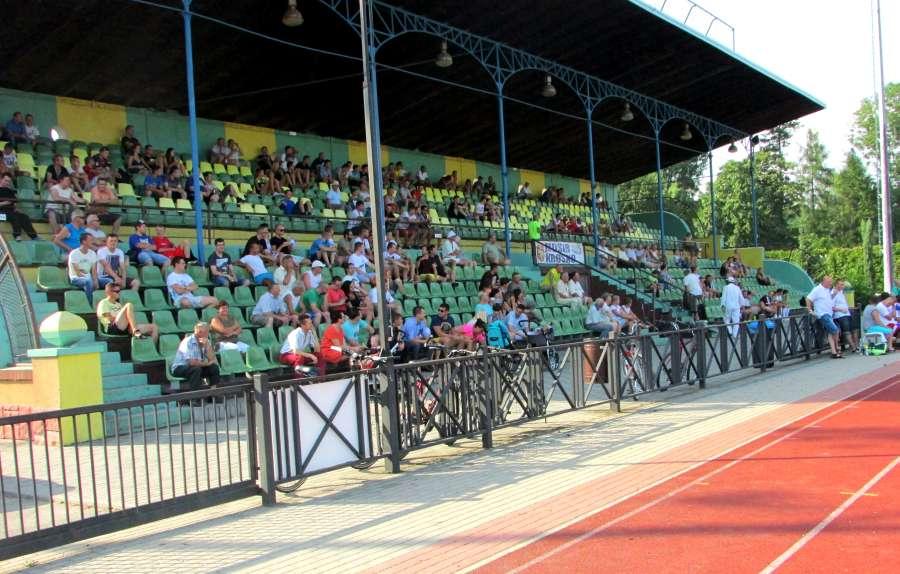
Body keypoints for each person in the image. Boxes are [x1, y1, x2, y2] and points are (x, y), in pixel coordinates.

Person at [170, 323, 221, 389]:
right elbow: (191, 363)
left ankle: (213, 391)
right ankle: (195, 393)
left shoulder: (205, 340)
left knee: (214, 368)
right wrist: (206, 364)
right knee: (196, 369)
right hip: (179, 368)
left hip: (197, 366)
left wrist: (207, 346)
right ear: (199, 332)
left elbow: (212, 359)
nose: (208, 334)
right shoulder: (188, 342)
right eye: (207, 332)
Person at [807, 275, 841, 358]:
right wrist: (810, 310)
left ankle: (834, 352)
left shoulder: (827, 290)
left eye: (831, 282)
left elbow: (828, 299)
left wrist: (833, 295)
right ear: (824, 281)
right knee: (835, 330)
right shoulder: (817, 289)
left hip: (829, 314)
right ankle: (837, 347)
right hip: (823, 314)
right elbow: (808, 299)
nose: (830, 284)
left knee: (831, 333)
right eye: (829, 282)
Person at [0, 174, 38, 240]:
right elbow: (9, 202)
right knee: (14, 216)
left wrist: (16, 208)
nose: (7, 183)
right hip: (1, 215)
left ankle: (34, 236)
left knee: (24, 217)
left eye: (9, 181)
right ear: (1, 179)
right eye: (6, 180)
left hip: (10, 211)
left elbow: (14, 203)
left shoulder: (10, 191)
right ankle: (17, 235)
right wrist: (6, 202)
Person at [68, 233, 99, 300]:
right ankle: (90, 303)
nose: (92, 242)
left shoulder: (93, 253)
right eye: (90, 240)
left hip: (89, 277)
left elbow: (94, 271)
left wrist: (95, 280)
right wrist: (91, 280)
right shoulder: (74, 253)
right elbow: (78, 273)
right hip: (76, 278)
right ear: (84, 241)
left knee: (108, 281)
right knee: (88, 282)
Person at [831, 279, 857, 353]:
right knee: (847, 331)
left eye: (843, 284)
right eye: (841, 284)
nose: (843, 286)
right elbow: (831, 307)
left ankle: (856, 346)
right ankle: (853, 347)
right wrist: (841, 309)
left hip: (847, 314)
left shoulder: (841, 292)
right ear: (836, 285)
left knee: (854, 330)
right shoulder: (833, 293)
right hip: (840, 316)